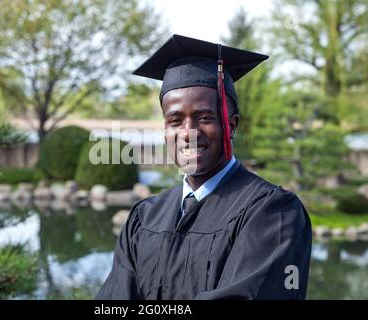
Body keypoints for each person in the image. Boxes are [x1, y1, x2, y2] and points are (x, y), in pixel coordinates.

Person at [96, 34, 312, 300]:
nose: (188, 132)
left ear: (231, 125)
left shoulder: (273, 212)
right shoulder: (145, 217)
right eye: (175, 120)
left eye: (204, 117)